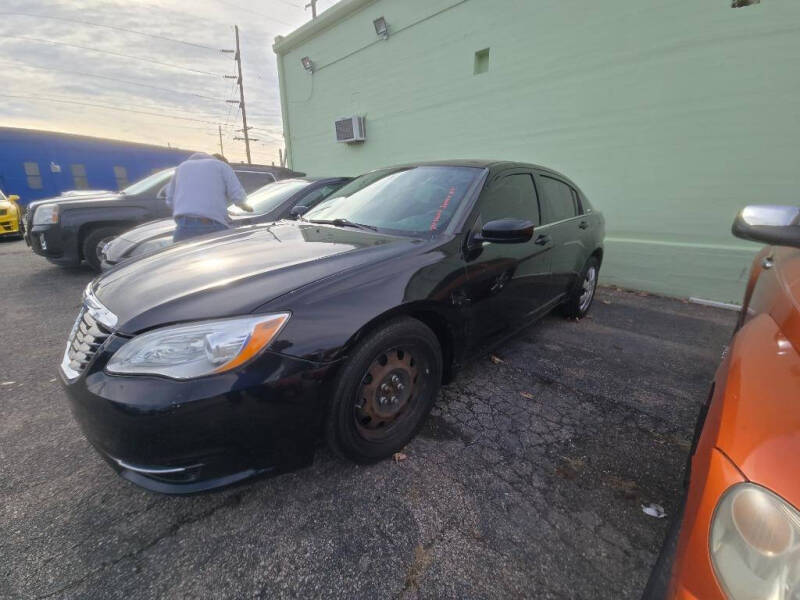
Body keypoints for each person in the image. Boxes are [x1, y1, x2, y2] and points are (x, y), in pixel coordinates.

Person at [165, 152, 252, 242]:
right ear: (223, 162)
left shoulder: (181, 167)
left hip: (183, 226)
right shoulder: (222, 166)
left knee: (182, 255)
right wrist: (245, 206)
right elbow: (237, 195)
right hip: (211, 225)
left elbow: (170, 199)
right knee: (224, 253)